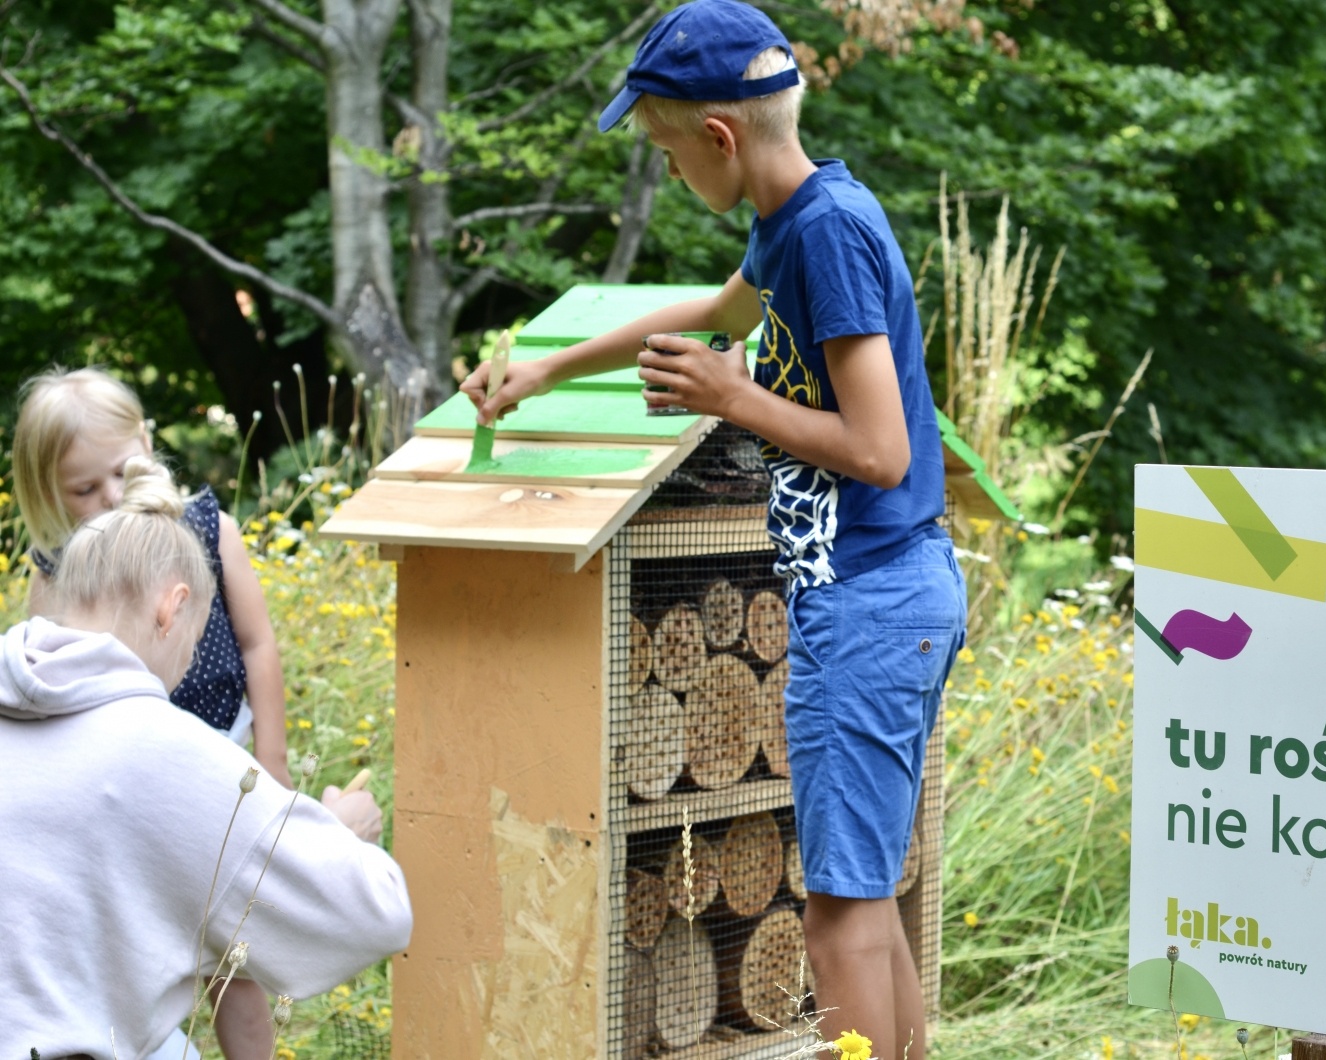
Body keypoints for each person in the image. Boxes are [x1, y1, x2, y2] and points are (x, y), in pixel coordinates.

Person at [461, 2, 966, 1054]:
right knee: (866, 904)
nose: (669, 167)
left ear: (720, 137)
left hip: (870, 602)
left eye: (666, 150)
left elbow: (881, 451)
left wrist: (734, 398)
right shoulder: (792, 223)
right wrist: (549, 369)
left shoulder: (826, 234)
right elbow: (711, 316)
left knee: (835, 923)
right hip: (878, 599)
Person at [0, 457, 412, 1060]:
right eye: (193, 645)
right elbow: (377, 913)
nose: (182, 671)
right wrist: (338, 836)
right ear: (171, 608)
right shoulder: (160, 747)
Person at [11, 367, 293, 1058]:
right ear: (47, 491)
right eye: (83, 489)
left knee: (233, 955)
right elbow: (48, 688)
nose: (110, 498)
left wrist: (273, 759)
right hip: (124, 790)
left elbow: (258, 644)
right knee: (138, 933)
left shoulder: (206, 528)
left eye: (119, 473)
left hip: (221, 767)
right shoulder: (58, 571)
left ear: (145, 441)